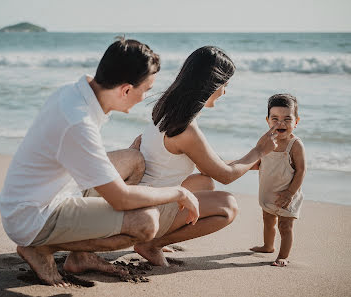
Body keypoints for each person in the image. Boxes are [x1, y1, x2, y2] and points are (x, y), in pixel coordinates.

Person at [0, 38, 225, 287]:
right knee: (146, 222)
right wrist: (179, 192)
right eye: (146, 90)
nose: (146, 97)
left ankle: (81, 254)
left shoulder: (74, 92)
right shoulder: (78, 122)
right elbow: (121, 198)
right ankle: (40, 248)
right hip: (35, 217)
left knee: (133, 159)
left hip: (49, 194)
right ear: (126, 89)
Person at [104, 46, 281, 265]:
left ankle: (155, 236)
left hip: (146, 194)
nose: (224, 91)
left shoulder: (166, 109)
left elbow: (210, 167)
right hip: (149, 206)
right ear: (211, 84)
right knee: (228, 206)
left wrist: (250, 163)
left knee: (205, 183)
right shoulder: (186, 130)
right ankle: (151, 243)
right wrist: (258, 151)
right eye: (224, 84)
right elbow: (225, 175)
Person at [250, 94, 306, 267]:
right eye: (275, 119)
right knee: (267, 219)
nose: (281, 123)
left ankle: (283, 256)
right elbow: (258, 162)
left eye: (287, 119)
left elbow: (301, 170)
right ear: (267, 120)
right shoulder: (266, 141)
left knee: (284, 226)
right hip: (268, 192)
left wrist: (290, 193)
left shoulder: (295, 145)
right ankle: (268, 246)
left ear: (296, 121)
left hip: (287, 194)